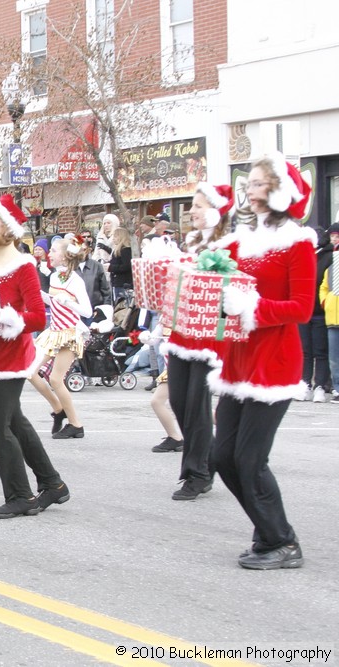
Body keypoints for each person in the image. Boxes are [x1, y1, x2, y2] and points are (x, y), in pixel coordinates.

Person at [209, 152, 316, 569]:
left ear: (277, 191)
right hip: (238, 360)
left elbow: (302, 307)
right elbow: (211, 277)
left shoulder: (298, 241)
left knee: (250, 459)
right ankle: (267, 530)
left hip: (274, 362)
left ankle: (281, 540)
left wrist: (252, 306)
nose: (248, 190)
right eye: (248, 183)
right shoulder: (241, 240)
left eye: (256, 183)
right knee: (221, 456)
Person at [0, 194, 70, 518]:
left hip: (13, 354)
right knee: (16, 421)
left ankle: (21, 496)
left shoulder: (22, 265)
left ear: (8, 227)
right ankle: (53, 484)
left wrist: (11, 318)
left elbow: (39, 317)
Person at [160, 183, 233, 501]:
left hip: (208, 335)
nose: (191, 210)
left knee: (196, 405)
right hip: (181, 332)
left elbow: (230, 288)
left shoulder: (229, 245)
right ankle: (208, 455)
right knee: (177, 399)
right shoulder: (189, 244)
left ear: (216, 212)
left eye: (198, 205)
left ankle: (198, 472)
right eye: (192, 205)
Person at [28, 236, 93, 439]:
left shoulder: (76, 280)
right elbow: (54, 301)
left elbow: (87, 312)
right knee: (30, 372)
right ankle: (58, 409)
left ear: (66, 256)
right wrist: (41, 295)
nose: (50, 254)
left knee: (56, 379)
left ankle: (76, 424)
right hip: (54, 331)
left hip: (70, 334)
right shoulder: (56, 277)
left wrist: (69, 303)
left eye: (55, 250)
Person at [295, 227, 333, 402]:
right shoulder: (302, 255)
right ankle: (305, 384)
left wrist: (323, 304)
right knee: (305, 351)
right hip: (303, 311)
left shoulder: (328, 256)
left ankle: (319, 385)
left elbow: (324, 283)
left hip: (319, 312)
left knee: (320, 351)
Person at [320, 222, 339, 403]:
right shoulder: (331, 269)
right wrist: (325, 301)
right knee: (334, 358)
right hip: (332, 317)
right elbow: (323, 288)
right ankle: (337, 388)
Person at [107, 226, 133, 303]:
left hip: (123, 283)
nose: (113, 239)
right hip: (117, 282)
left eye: (115, 236)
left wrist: (111, 267)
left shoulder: (125, 250)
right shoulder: (117, 250)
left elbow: (126, 266)